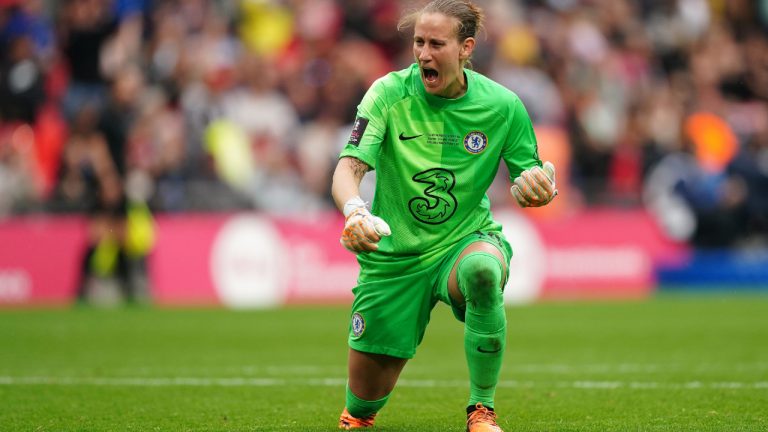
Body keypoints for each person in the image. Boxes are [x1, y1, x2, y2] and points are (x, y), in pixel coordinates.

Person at [330, 1, 558, 431]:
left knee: (482, 273)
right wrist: (355, 209)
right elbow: (348, 168)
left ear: (465, 48)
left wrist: (538, 189)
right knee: (361, 409)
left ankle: (481, 411)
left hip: (463, 239)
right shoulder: (387, 93)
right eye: (418, 42)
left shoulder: (503, 106)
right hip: (395, 254)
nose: (423, 54)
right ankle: (359, 413)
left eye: (437, 43)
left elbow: (531, 177)